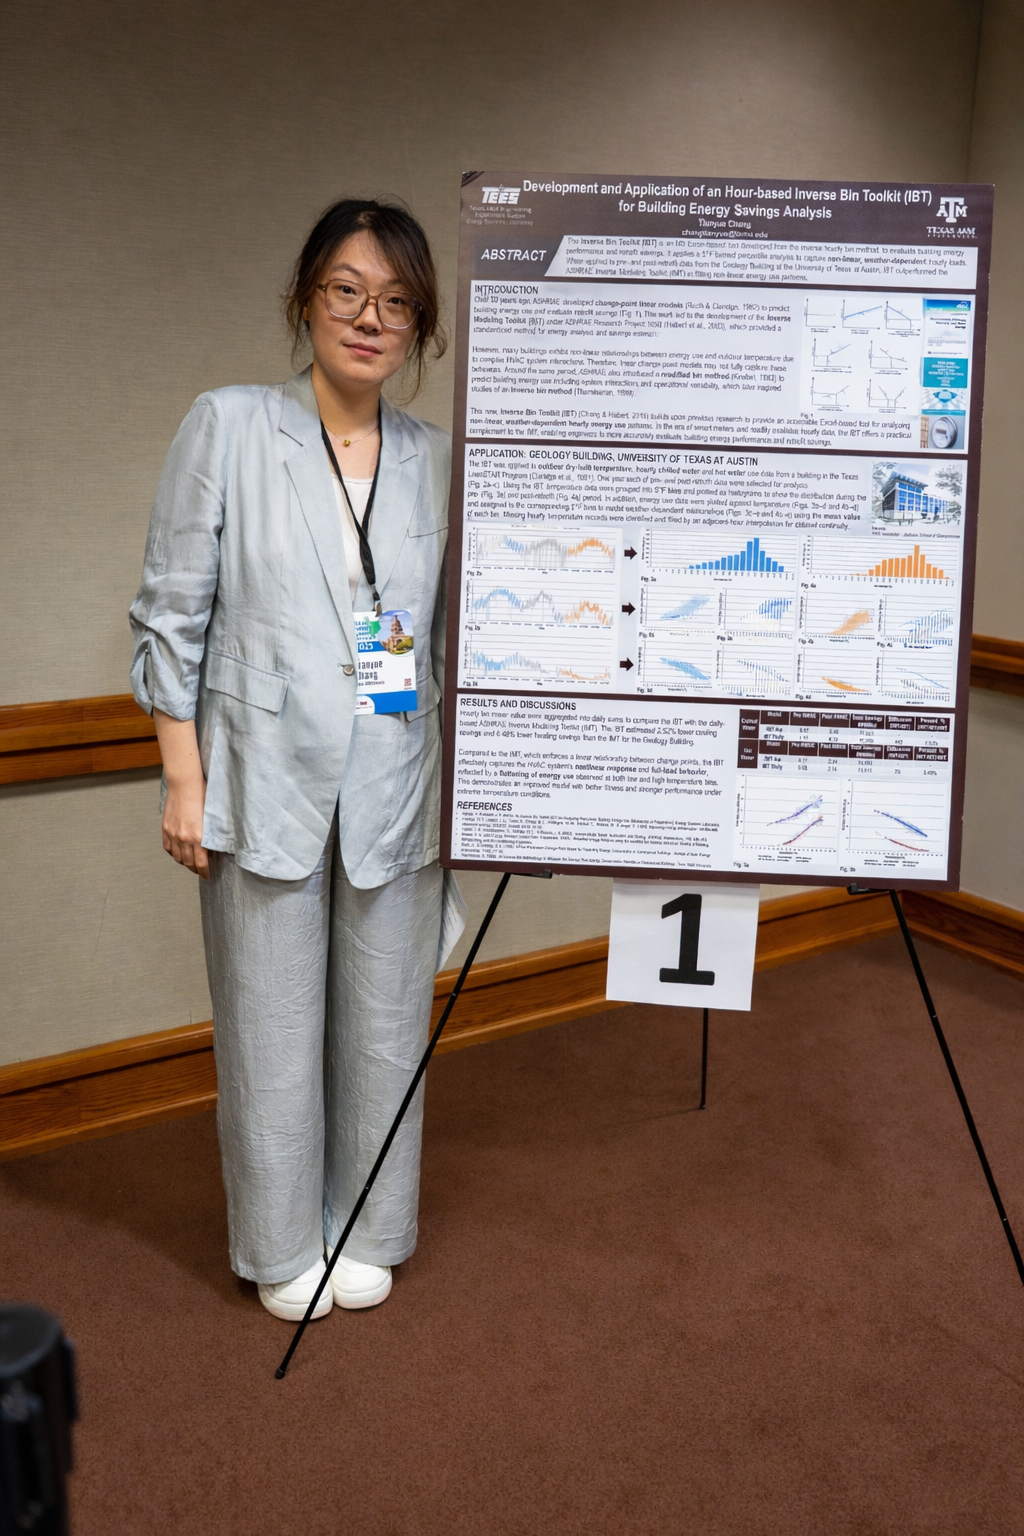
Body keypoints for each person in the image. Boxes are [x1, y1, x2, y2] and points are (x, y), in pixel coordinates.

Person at [129, 199, 460, 1321]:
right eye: (347, 292)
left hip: (394, 776)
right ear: (306, 300)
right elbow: (170, 615)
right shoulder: (229, 426)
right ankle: (279, 1244)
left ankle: (369, 1223)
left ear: (419, 325)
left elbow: (434, 639)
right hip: (260, 773)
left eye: (397, 302)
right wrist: (184, 779)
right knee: (270, 1029)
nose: (371, 319)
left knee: (385, 1025)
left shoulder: (434, 458)